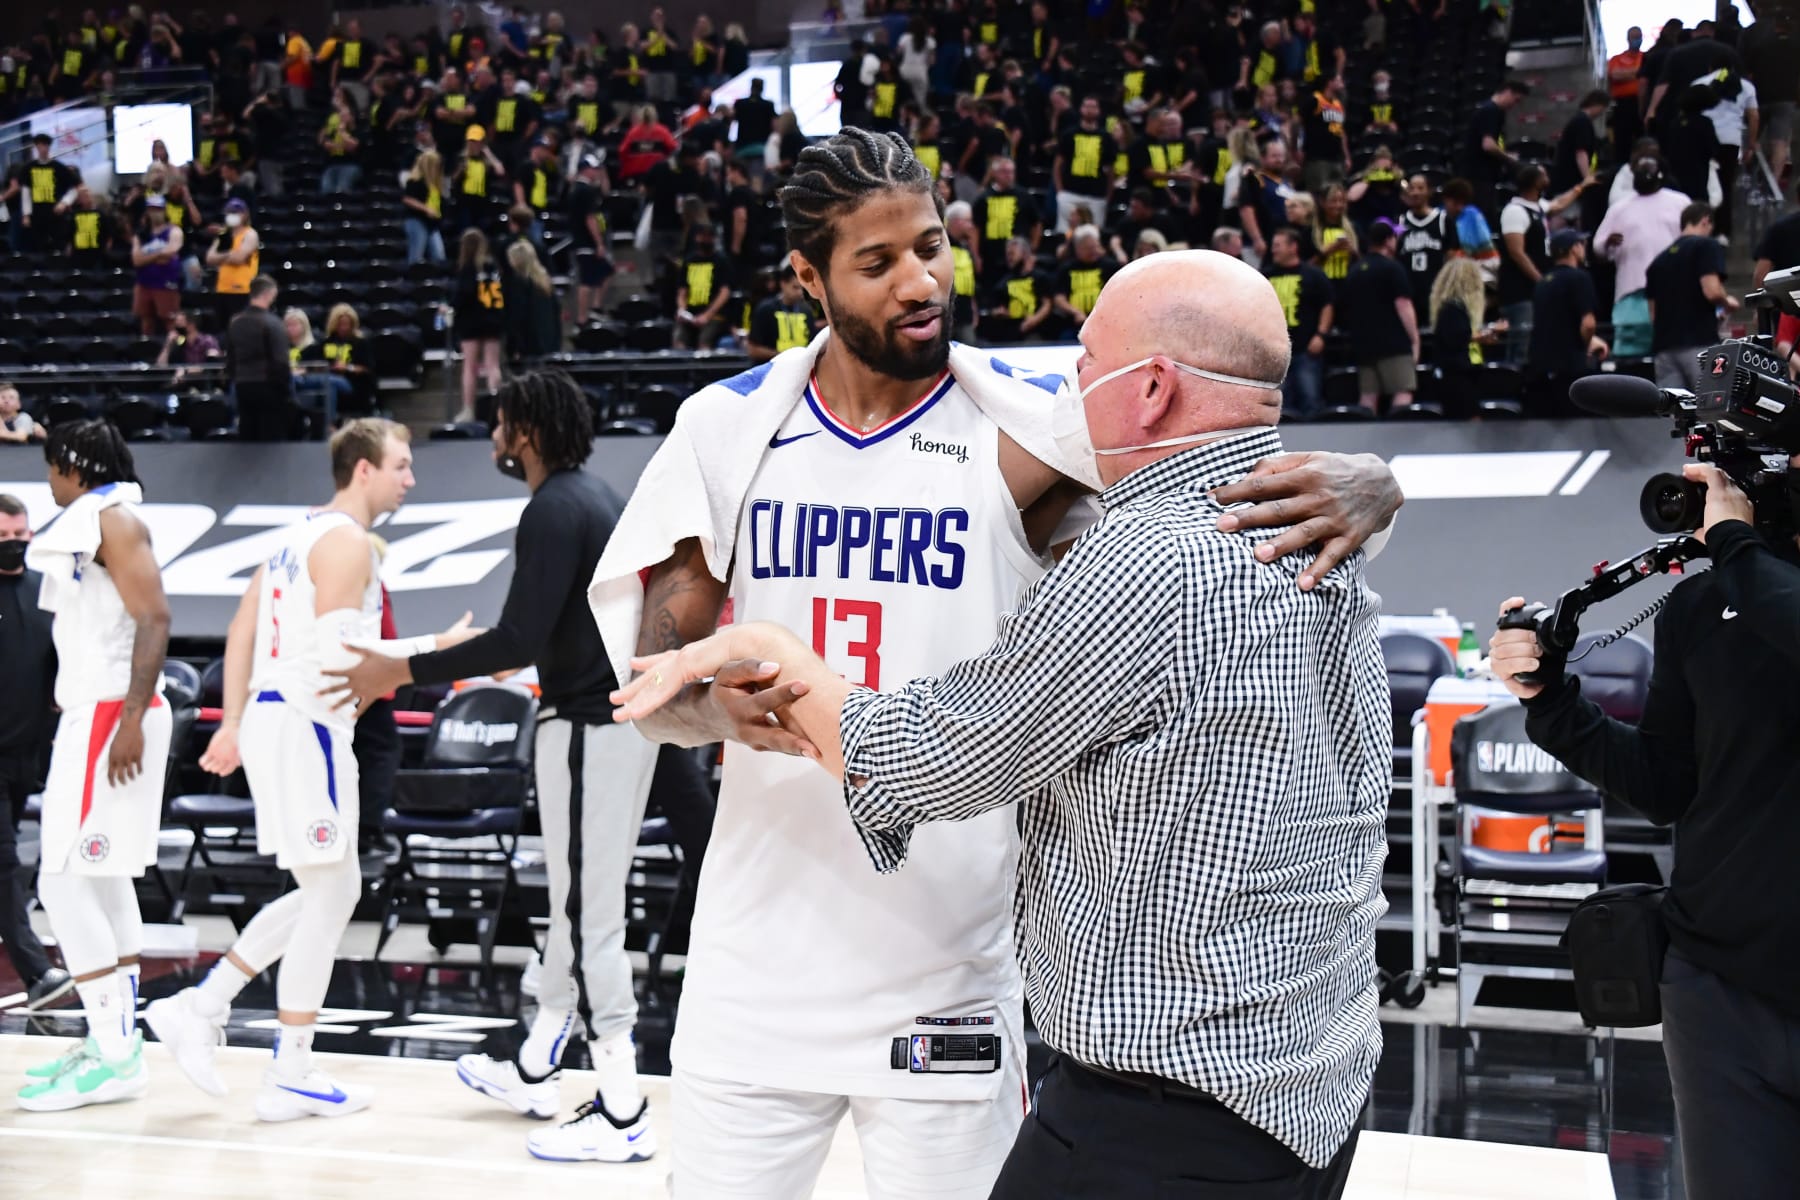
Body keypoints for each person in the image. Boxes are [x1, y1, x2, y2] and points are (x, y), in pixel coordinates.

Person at [584, 127, 1402, 1199]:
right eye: (878, 264)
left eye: (932, 246)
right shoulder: (725, 429)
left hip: (952, 966)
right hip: (754, 958)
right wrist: (723, 711)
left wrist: (1378, 486)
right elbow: (659, 686)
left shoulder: (1038, 424)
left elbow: (1219, 500)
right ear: (806, 278)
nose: (921, 282)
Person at [323, 372, 660, 1163]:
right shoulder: (595, 496)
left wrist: (395, 672)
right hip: (612, 724)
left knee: (588, 915)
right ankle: (539, 1060)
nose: (494, 434)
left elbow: (515, 639)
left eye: (503, 421)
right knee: (579, 904)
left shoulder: (553, 509)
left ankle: (621, 1104)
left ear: (529, 432)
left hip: (587, 729)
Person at [1490, 463, 1800, 1200]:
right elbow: (1667, 786)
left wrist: (1732, 542)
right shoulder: (1704, 600)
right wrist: (1553, 701)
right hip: (1724, 994)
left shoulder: (1738, 569)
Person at [146, 419, 433, 1121]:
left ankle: (206, 1007)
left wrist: (239, 722)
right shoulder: (346, 542)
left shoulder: (292, 537)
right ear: (362, 469)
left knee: (324, 889)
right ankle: (288, 1066)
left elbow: (242, 630)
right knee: (334, 892)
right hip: (309, 722)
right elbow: (345, 654)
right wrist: (440, 647)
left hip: (280, 718)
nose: (411, 478)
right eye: (401, 464)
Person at [16, 421, 173, 1112]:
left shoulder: (112, 519)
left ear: (72, 466)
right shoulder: (95, 521)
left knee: (63, 878)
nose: (48, 482)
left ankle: (113, 1052)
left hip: (115, 711)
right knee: (101, 879)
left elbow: (156, 619)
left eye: (51, 469)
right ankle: (119, 1042)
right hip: (101, 708)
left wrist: (130, 719)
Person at [0, 493, 69, 1011]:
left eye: (22, 536)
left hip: (26, 755)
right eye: (5, 537)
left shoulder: (44, 592)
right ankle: (36, 971)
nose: (15, 545)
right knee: (5, 862)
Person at [1594, 157, 1692, 358]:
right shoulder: (1620, 207)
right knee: (1630, 351)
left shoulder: (1680, 202)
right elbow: (1598, 247)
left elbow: (1692, 240)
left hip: (1673, 286)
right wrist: (1608, 243)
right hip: (1632, 288)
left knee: (1674, 348)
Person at [1498, 166, 1589, 364]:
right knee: (1522, 343)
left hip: (1534, 290)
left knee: (1535, 343)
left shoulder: (1537, 206)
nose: (1548, 176)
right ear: (1534, 182)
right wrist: (1541, 280)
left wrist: (1581, 187)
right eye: (1543, 174)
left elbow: (1557, 205)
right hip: (1519, 291)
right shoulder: (1515, 211)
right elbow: (1516, 252)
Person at [1646, 201, 1736, 391]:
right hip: (1699, 344)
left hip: (1664, 348)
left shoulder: (1658, 261)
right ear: (1705, 221)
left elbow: (1653, 315)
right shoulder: (1706, 246)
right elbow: (1712, 291)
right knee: (1709, 405)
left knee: (1677, 411)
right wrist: (1727, 301)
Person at [1335, 220, 1419, 415]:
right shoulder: (1393, 268)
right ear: (1389, 240)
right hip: (1394, 345)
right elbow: (1403, 305)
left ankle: (1365, 440)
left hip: (1363, 346)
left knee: (1368, 397)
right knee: (1403, 391)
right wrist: (1414, 338)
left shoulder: (1354, 271)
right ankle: (1399, 439)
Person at [1524, 229, 1608, 417]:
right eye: (1580, 244)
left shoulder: (1543, 282)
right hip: (1570, 366)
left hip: (1540, 367)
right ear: (1573, 249)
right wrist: (1587, 345)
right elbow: (1588, 324)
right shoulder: (1579, 278)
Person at [1262, 227, 1333, 420]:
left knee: (1310, 399)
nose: (1273, 250)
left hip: (1305, 349)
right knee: (1278, 405)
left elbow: (1327, 305)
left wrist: (1321, 335)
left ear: (1293, 247)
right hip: (1275, 353)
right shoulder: (1265, 276)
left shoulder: (1313, 274)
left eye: (1278, 245)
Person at [1428, 257, 1504, 418]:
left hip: (1459, 373)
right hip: (1456, 377)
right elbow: (1458, 337)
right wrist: (1487, 333)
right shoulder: (1452, 308)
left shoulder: (1452, 308)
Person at [229, 275, 298, 441]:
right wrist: (286, 391)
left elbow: (231, 358)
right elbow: (281, 361)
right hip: (269, 386)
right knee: (271, 439)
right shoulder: (272, 323)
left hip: (242, 386)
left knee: (247, 435)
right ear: (268, 294)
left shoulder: (235, 322)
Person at [453, 227, 505, 423]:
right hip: (492, 319)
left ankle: (469, 409)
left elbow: (463, 295)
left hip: (472, 322)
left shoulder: (467, 269)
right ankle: (497, 406)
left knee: (470, 366)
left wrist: (450, 307)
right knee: (493, 365)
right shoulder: (492, 268)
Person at [1459, 80, 1531, 208]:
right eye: (1516, 100)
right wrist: (1509, 158)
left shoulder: (1495, 112)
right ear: (1508, 92)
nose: (1514, 105)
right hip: (1479, 175)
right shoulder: (1490, 111)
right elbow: (1488, 145)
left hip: (1484, 174)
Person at [1053, 95, 1115, 236]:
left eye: (1093, 107)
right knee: (1065, 233)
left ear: (1099, 111)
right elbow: (1057, 165)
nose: (1089, 110)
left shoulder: (1106, 138)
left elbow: (1111, 171)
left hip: (1096, 195)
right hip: (1069, 192)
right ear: (1081, 109)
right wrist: (1060, 192)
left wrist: (1108, 195)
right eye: (1087, 106)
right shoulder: (1069, 134)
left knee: (1093, 234)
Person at [1397, 175, 1458, 317]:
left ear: (1429, 192)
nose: (1415, 192)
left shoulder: (1443, 220)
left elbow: (1452, 258)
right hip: (1409, 293)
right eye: (1411, 188)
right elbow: (1395, 255)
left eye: (1420, 188)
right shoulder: (1401, 221)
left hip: (1436, 291)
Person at [672, 222, 734, 350]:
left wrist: (707, 315)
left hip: (714, 314)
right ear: (697, 237)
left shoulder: (721, 261)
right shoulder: (689, 260)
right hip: (691, 313)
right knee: (678, 339)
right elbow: (682, 291)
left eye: (709, 236)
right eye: (703, 236)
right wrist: (682, 310)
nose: (706, 239)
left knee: (704, 341)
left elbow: (724, 293)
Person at [566, 153, 612, 327]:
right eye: (594, 169)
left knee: (606, 271)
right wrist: (599, 243)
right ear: (586, 170)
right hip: (586, 242)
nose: (597, 172)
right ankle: (583, 318)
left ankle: (595, 308)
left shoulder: (577, 189)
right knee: (586, 280)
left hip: (582, 240)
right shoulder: (584, 190)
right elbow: (590, 218)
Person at [130, 195, 184, 337]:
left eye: (158, 209)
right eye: (152, 209)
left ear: (164, 210)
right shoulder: (141, 234)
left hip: (166, 283)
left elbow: (171, 251)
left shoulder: (174, 231)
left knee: (170, 322)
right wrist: (158, 256)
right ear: (147, 211)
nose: (155, 213)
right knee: (146, 321)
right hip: (144, 283)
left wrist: (147, 257)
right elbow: (136, 260)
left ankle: (173, 353)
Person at [1052, 224, 1119, 336]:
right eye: (1088, 248)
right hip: (1074, 324)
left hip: (1104, 324)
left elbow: (1118, 296)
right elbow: (1059, 297)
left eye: (1095, 247)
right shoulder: (1066, 269)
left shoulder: (1110, 267)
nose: (1093, 251)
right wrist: (1075, 312)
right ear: (1078, 248)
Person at [206, 198, 261, 331]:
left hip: (242, 290)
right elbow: (209, 258)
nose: (232, 215)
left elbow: (239, 258)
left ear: (245, 215)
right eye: (229, 212)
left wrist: (222, 257)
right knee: (222, 330)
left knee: (240, 329)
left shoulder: (250, 234)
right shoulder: (224, 235)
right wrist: (229, 256)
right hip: (222, 288)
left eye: (236, 212)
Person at [747, 262, 819, 362]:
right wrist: (782, 356)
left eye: (803, 288)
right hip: (773, 369)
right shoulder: (766, 309)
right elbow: (753, 349)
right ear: (783, 284)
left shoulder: (806, 311)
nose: (800, 293)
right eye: (795, 287)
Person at [1549, 92, 1609, 209]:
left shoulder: (1578, 120)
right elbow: (1581, 152)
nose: (1602, 113)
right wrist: (1587, 179)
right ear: (1596, 104)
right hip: (1570, 180)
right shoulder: (1582, 122)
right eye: (1603, 108)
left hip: (1564, 177)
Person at [503, 238, 560, 359]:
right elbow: (556, 313)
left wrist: (513, 347)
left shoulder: (519, 283)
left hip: (529, 348)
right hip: (549, 344)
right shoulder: (546, 282)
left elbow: (517, 318)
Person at [401, 148, 447, 265]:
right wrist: (426, 209)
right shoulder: (415, 181)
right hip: (417, 221)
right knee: (416, 257)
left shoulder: (435, 184)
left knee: (439, 256)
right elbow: (407, 199)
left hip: (432, 224)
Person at [1609, 26, 1647, 160]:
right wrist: (1638, 72)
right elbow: (1615, 75)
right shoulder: (1617, 59)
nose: (1637, 40)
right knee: (1621, 142)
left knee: (1643, 139)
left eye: (1639, 36)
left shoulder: (1646, 57)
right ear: (1628, 39)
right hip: (1623, 105)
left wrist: (1629, 73)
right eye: (1634, 37)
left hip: (1642, 103)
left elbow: (1648, 75)